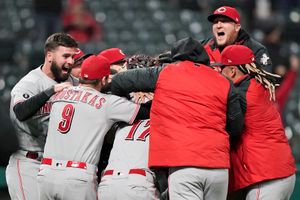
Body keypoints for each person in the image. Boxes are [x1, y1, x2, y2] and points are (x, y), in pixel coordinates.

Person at [111, 37, 244, 200]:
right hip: (219, 168)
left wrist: (145, 109)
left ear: (176, 58)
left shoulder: (167, 72)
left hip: (184, 164)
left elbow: (118, 81)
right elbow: (236, 127)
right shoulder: (224, 81)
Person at [37, 55, 150, 200]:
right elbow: (146, 112)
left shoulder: (59, 94)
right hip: (77, 176)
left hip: (46, 173)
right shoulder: (108, 103)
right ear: (103, 79)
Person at [6, 32, 78, 200]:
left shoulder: (73, 82)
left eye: (73, 57)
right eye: (66, 56)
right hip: (27, 162)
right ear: (49, 56)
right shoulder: (30, 83)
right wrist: (50, 91)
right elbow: (21, 112)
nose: (70, 61)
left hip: (55, 164)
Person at [218, 45, 296, 200]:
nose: (220, 72)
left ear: (233, 71)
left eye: (222, 68)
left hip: (266, 177)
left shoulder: (241, 94)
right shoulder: (258, 85)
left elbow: (231, 129)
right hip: (280, 173)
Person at [202, 6, 273, 72]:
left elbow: (266, 81)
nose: (218, 25)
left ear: (237, 27)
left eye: (224, 21)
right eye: (215, 22)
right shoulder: (203, 46)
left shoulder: (255, 50)